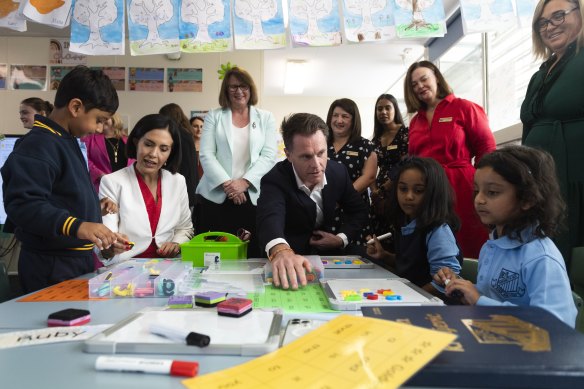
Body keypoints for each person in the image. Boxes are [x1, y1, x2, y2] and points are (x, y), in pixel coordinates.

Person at [1, 66, 122, 293]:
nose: (98, 129)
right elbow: (23, 205)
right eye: (98, 120)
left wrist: (93, 209)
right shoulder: (39, 145)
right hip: (51, 265)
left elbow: (59, 196)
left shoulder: (65, 141)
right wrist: (77, 225)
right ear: (76, 107)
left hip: (74, 262)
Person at [434, 146, 577, 328]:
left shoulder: (540, 257)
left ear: (527, 199)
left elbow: (557, 323)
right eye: (477, 190)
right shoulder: (493, 245)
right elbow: (493, 296)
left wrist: (479, 300)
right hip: (491, 338)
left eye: (492, 192)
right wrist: (459, 287)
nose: (479, 199)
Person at [257, 113, 369, 289]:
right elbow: (270, 218)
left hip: (329, 261)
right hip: (287, 262)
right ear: (288, 154)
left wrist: (340, 239)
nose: (317, 165)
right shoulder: (274, 179)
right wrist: (281, 250)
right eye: (306, 157)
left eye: (321, 153)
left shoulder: (338, 173)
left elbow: (358, 211)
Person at [404, 60, 496, 259]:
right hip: (428, 189)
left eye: (424, 79)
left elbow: (486, 148)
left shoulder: (464, 108)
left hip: (462, 185)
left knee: (467, 238)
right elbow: (413, 159)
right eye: (414, 84)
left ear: (436, 77)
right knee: (431, 240)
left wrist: (482, 188)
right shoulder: (415, 122)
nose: (420, 86)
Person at [521, 0, 584, 270]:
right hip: (544, 182)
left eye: (558, 16)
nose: (550, 26)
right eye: (543, 22)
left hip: (576, 180)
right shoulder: (541, 72)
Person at [196, 66, 277, 258]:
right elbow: (206, 154)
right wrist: (229, 186)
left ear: (251, 89)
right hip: (216, 196)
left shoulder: (265, 118)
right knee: (213, 254)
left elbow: (269, 155)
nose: (239, 91)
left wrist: (243, 183)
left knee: (250, 253)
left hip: (251, 196)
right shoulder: (214, 116)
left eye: (243, 86)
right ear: (226, 90)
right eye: (233, 87)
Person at [98, 114, 194, 265]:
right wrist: (112, 246)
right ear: (136, 142)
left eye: (164, 149)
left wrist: (176, 244)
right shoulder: (112, 182)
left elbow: (185, 229)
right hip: (126, 269)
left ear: (170, 153)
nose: (153, 154)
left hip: (168, 268)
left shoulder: (178, 181)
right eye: (148, 144)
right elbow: (105, 237)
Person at [366, 157, 462, 295]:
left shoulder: (438, 231)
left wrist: (409, 298)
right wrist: (384, 256)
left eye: (418, 190)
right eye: (403, 189)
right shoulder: (405, 222)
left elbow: (444, 283)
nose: (409, 196)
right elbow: (411, 266)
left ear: (433, 192)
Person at [326, 98, 377, 248]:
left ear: (354, 120)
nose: (339, 120)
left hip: (353, 211)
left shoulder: (365, 145)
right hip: (325, 209)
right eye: (335, 115)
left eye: (345, 116)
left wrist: (340, 198)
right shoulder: (321, 142)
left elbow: (369, 176)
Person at [369, 93, 409, 240]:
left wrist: (384, 189)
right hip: (378, 193)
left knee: (397, 231)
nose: (383, 112)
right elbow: (371, 168)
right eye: (379, 109)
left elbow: (405, 165)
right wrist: (375, 193)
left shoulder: (406, 133)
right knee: (380, 233)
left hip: (399, 186)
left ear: (395, 110)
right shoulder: (375, 140)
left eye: (387, 108)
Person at [159, 103, 199, 213]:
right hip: (189, 186)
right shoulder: (186, 133)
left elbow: (179, 163)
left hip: (181, 187)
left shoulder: (178, 135)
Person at [82, 113, 134, 192]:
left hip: (126, 185)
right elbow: (83, 158)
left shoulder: (127, 140)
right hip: (101, 185)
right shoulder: (89, 138)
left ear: (114, 119)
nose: (103, 121)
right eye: (99, 120)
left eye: (105, 118)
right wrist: (100, 175)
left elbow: (134, 159)